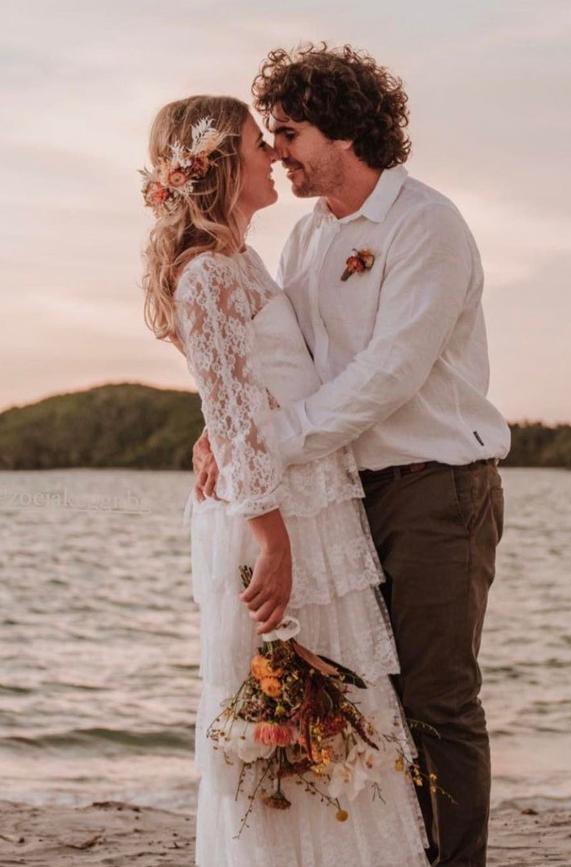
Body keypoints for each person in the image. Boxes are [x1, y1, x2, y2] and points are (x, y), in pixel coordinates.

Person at [193, 45, 510, 867]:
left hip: (438, 486)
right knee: (373, 697)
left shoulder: (425, 224)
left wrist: (264, 442)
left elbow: (389, 375)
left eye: (289, 132)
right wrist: (221, 424)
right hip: (345, 495)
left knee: (440, 702)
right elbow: (282, 356)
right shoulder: (306, 240)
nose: (276, 151)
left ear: (344, 130)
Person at [141, 94, 430, 867]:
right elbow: (233, 418)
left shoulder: (245, 260)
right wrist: (268, 536)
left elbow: (241, 390)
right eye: (255, 143)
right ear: (221, 165)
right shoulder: (203, 275)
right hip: (269, 512)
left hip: (308, 498)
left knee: (329, 704)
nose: (272, 155)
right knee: (274, 711)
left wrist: (222, 425)